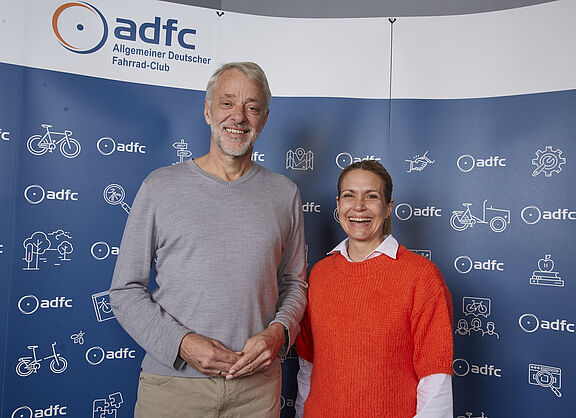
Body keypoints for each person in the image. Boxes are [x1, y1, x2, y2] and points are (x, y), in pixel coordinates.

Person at [109, 62, 308, 418]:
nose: (238, 117)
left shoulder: (285, 194)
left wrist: (278, 332)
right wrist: (182, 344)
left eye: (252, 107)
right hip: (173, 386)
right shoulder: (160, 187)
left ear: (264, 118)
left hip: (257, 389)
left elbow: (294, 284)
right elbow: (124, 291)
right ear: (207, 111)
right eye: (227, 103)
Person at [295, 160, 453, 417]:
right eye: (349, 195)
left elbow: (435, 378)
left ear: (388, 207)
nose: (358, 206)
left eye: (371, 196)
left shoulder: (422, 276)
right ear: (338, 204)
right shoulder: (319, 274)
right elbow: (307, 365)